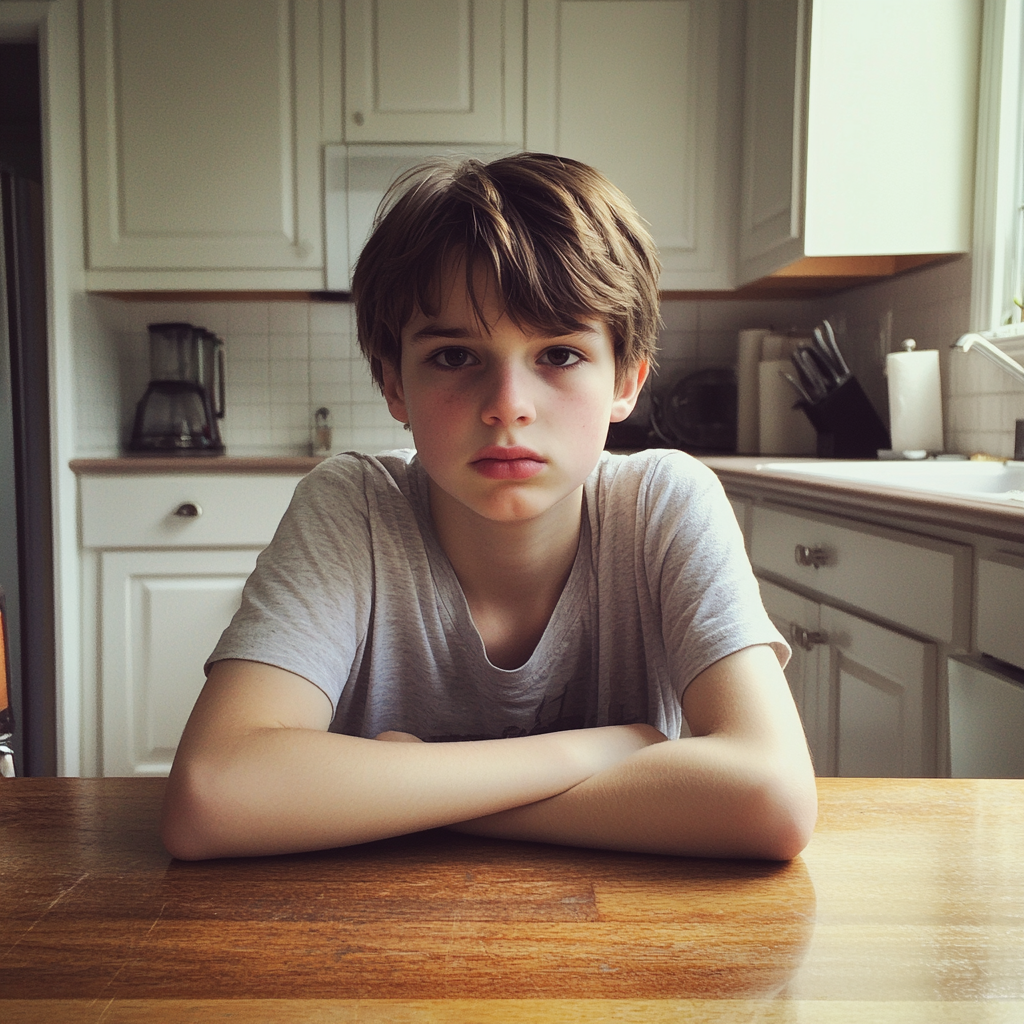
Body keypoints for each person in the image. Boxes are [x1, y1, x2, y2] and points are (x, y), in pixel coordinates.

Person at [160, 153, 816, 862]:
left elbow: (769, 798)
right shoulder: (353, 506)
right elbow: (214, 795)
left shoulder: (663, 503)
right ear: (394, 384)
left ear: (627, 379)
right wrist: (590, 753)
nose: (508, 406)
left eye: (560, 355)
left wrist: (421, 797)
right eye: (453, 357)